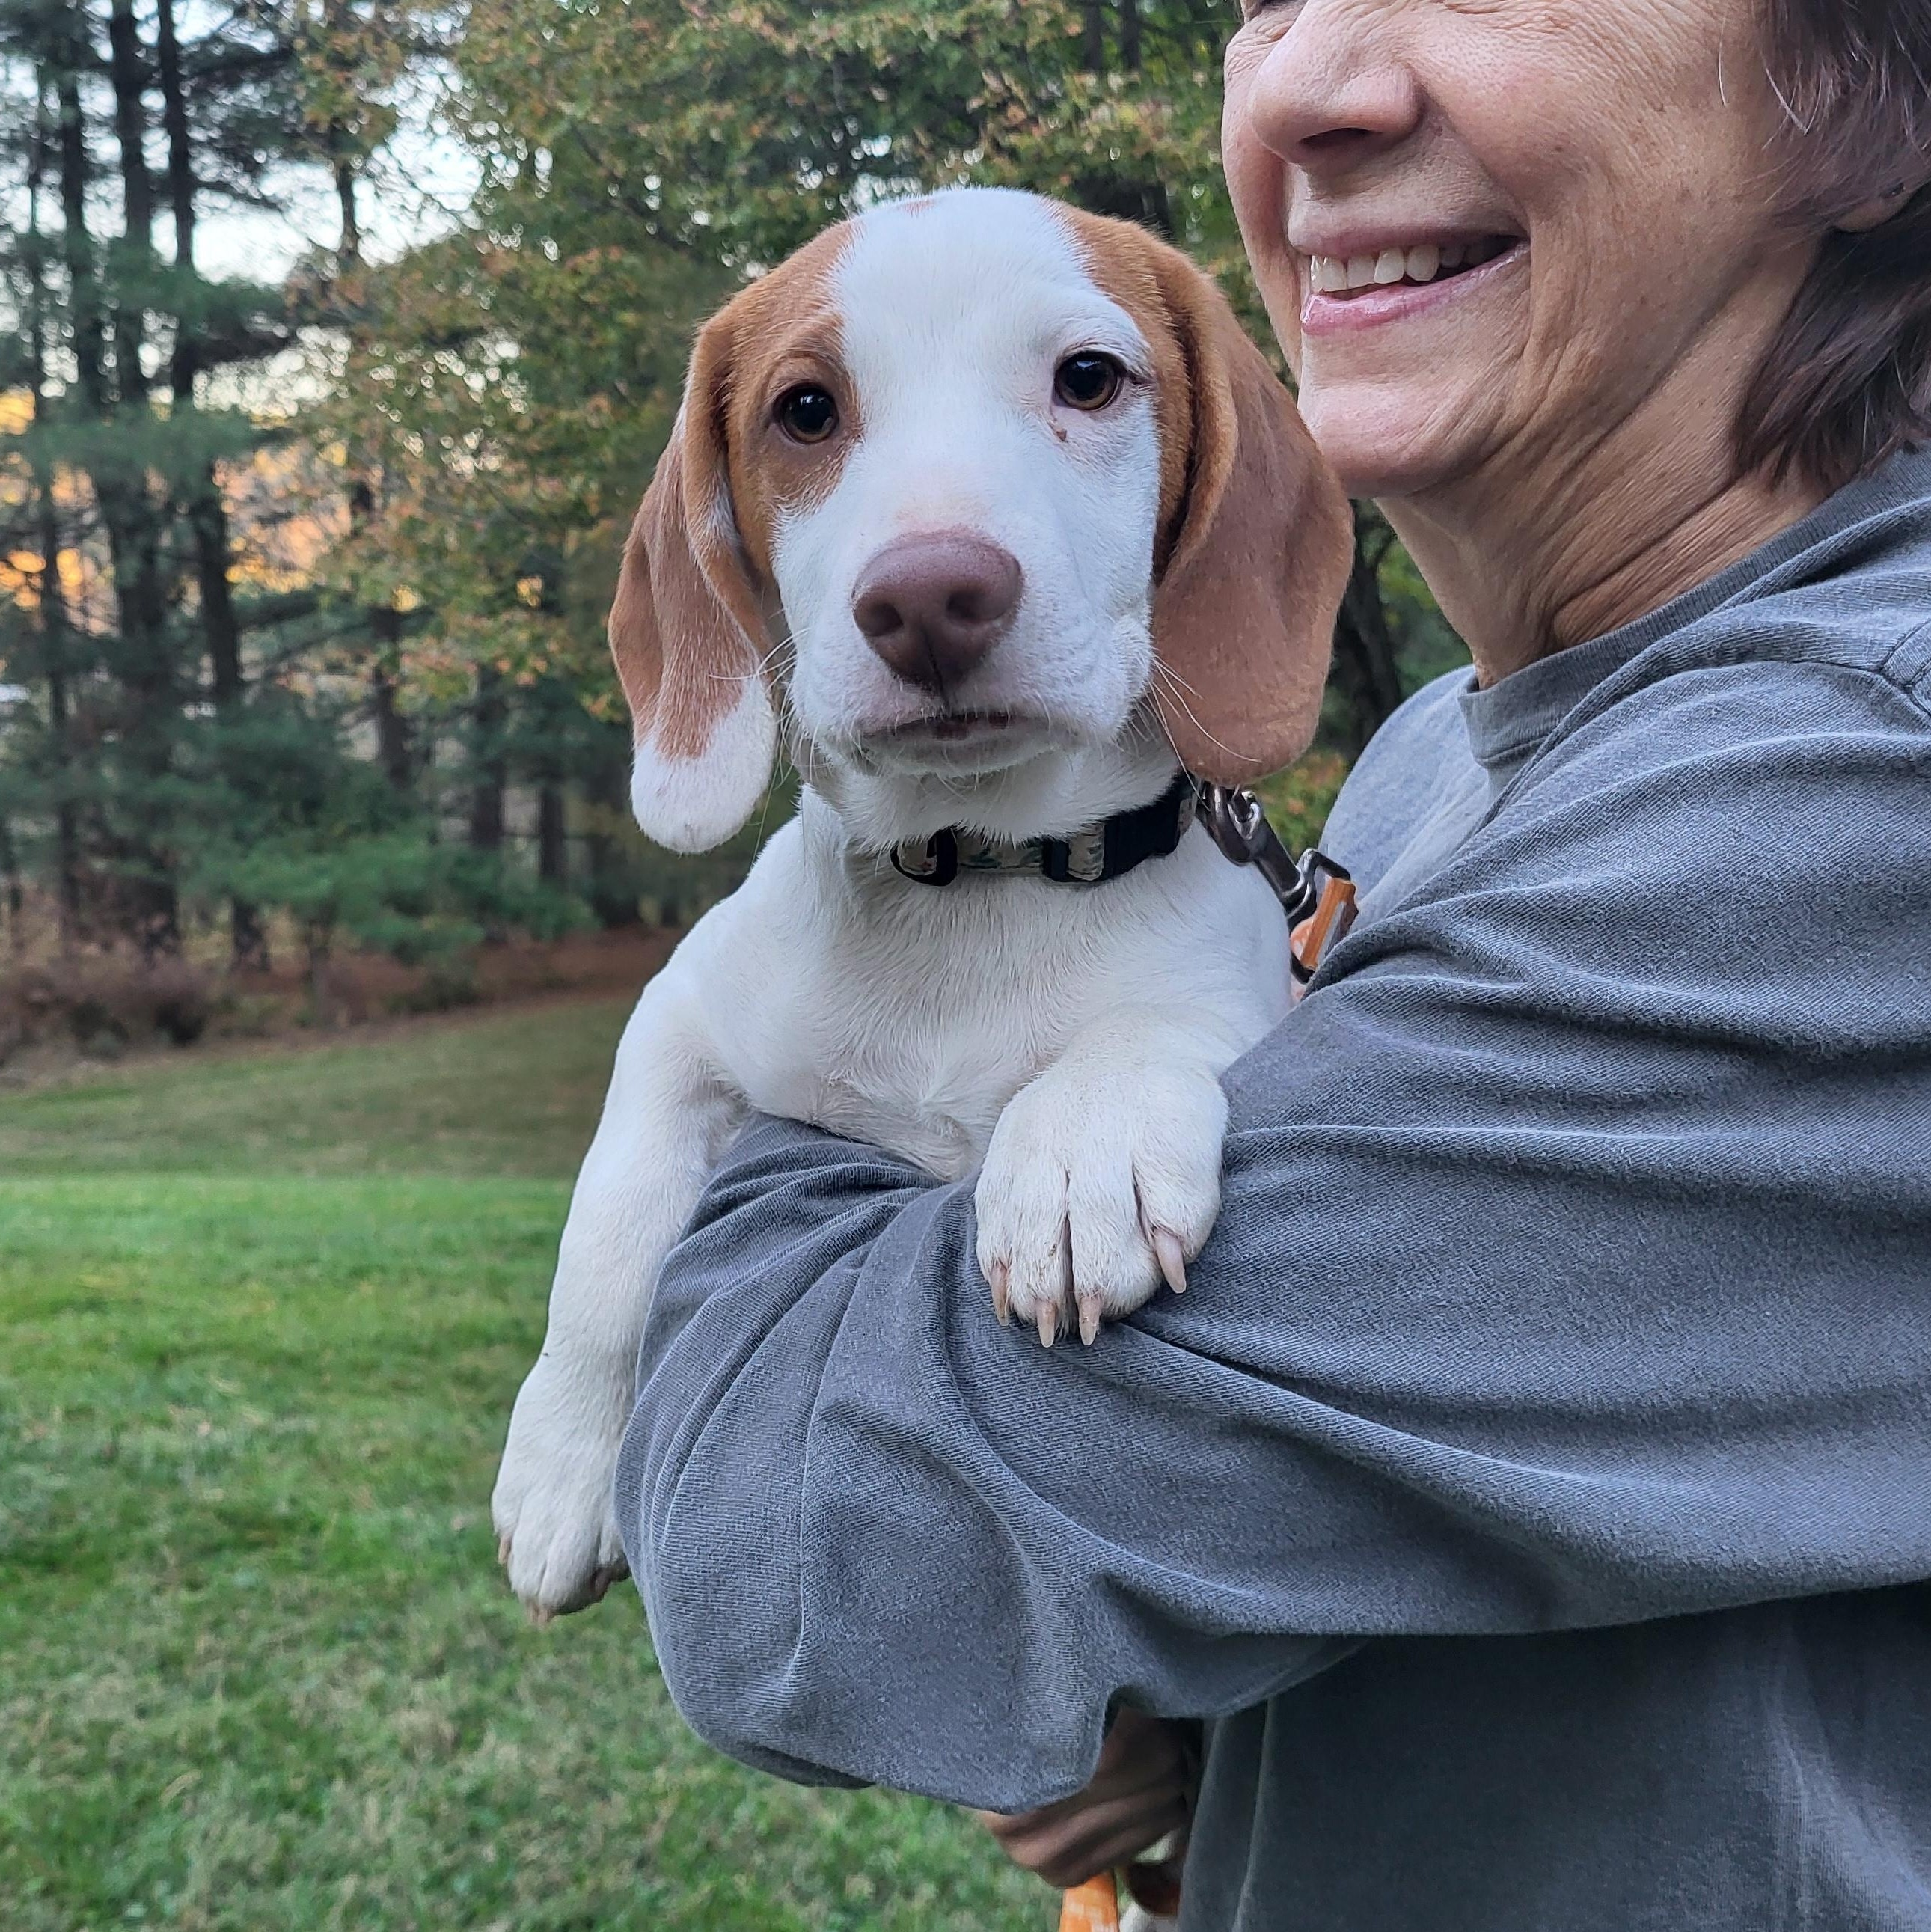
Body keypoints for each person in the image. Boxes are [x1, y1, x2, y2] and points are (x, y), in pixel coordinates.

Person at [614, 1, 1931, 1925]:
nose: (1311, 88)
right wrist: (1169, 1728)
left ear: (1879, 109)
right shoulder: (1424, 771)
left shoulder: (1853, 800)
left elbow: (813, 1568)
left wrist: (802, 1011)